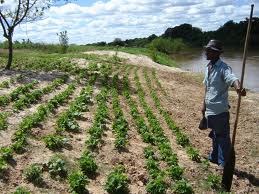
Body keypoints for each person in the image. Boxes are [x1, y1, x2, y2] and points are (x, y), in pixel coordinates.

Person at [202, 40, 246, 168]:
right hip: (210, 109)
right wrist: (203, 106)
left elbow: (232, 78)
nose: (206, 52)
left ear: (216, 53)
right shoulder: (208, 67)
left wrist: (238, 87)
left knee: (222, 137)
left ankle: (223, 164)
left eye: (209, 51)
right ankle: (214, 158)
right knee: (215, 134)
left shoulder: (223, 68)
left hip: (220, 109)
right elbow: (207, 87)